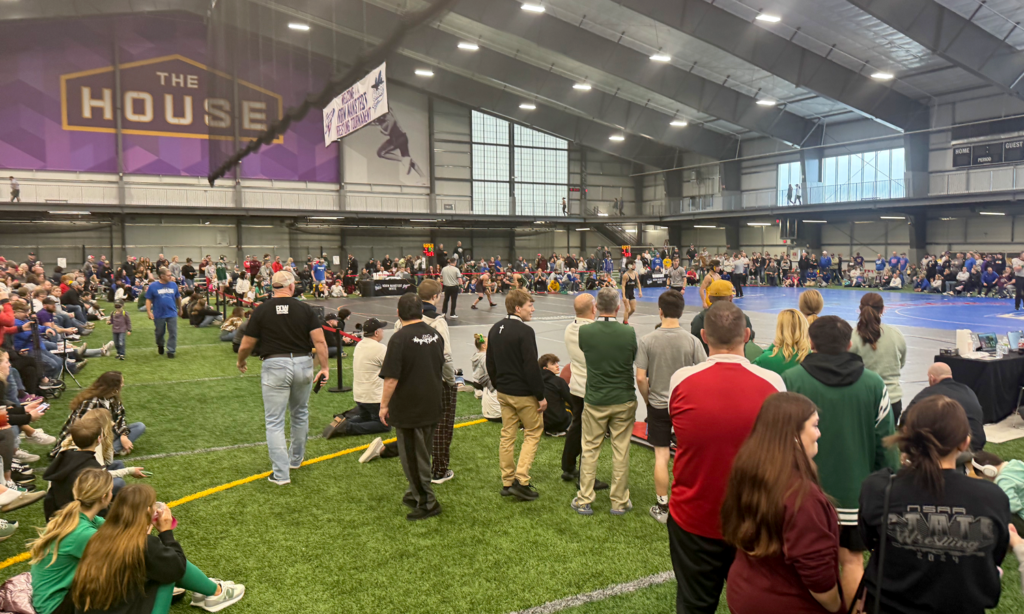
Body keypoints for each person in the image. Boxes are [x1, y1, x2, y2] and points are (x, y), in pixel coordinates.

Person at [667, 301, 786, 613]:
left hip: (693, 517)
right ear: (746, 335)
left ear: (704, 336)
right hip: (752, 520)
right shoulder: (773, 384)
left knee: (694, 605)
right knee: (752, 604)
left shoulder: (681, 380)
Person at [781, 316, 899, 603]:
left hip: (800, 498)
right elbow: (887, 447)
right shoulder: (874, 384)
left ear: (811, 343)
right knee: (853, 562)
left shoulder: (791, 380)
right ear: (849, 344)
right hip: (854, 499)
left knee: (800, 565)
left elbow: (779, 443)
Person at [858, 396, 1009, 614]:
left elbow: (871, 540)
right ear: (964, 443)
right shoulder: (992, 497)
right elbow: (994, 556)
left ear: (909, 438)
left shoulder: (879, 488)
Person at [722, 392, 842, 614]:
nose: (819, 433)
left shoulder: (748, 468)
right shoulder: (802, 497)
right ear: (795, 436)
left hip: (744, 590)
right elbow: (818, 578)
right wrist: (838, 607)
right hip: (787, 602)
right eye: (815, 426)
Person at [70, 483, 245, 614]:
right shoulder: (144, 544)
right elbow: (176, 568)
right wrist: (166, 532)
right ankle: (217, 592)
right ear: (147, 510)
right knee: (168, 570)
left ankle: (209, 589)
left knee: (161, 564)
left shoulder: (100, 534)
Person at [236, 270, 330, 486]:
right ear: (291, 287)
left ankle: (281, 474)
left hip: (274, 364)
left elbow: (247, 343)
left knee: (274, 422)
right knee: (300, 413)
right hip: (303, 363)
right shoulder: (305, 309)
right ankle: (296, 459)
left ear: (272, 287)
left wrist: (241, 361)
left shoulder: (261, 310)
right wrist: (324, 367)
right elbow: (320, 342)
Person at [636, 289, 706, 524]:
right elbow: (703, 373)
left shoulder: (647, 340)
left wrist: (648, 399)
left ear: (660, 311)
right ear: (682, 312)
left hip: (657, 404)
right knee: (689, 455)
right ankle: (690, 502)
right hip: (684, 406)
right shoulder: (693, 341)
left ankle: (662, 506)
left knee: (661, 455)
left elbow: (640, 378)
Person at [571, 287, 638, 516]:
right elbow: (631, 356)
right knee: (621, 450)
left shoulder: (586, 333)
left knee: (589, 448)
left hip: (596, 399)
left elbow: (586, 352)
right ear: (618, 307)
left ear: (596, 308)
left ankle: (584, 499)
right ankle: (619, 501)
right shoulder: (629, 333)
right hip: (623, 399)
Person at [380, 293, 445, 521]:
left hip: (409, 407)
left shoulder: (399, 339)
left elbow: (391, 379)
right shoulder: (435, 334)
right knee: (422, 453)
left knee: (412, 458)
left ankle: (428, 502)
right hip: (432, 403)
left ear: (398, 313)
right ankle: (414, 492)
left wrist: (383, 406)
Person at [394, 280, 457, 484]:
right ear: (436, 297)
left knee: (416, 427)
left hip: (409, 381)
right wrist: (451, 380)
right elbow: (445, 355)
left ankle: (419, 469)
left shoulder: (401, 321)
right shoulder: (438, 321)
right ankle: (439, 469)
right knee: (441, 424)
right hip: (435, 380)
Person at [486, 289, 546, 502]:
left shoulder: (494, 329)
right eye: (530, 305)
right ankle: (522, 479)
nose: (533, 309)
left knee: (507, 434)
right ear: (518, 308)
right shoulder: (525, 331)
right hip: (522, 393)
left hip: (503, 391)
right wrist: (540, 395)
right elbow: (531, 367)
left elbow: (490, 363)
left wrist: (497, 384)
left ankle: (507, 481)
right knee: (533, 431)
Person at [31, 469, 113, 614]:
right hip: (55, 607)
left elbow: (112, 528)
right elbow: (120, 559)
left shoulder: (75, 516)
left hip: (46, 598)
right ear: (104, 497)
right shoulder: (84, 534)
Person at [322, 318, 390, 439]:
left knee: (365, 418)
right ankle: (347, 427)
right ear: (376, 333)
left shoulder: (360, 345)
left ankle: (343, 421)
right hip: (373, 397)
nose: (383, 332)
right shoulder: (380, 348)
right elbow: (391, 370)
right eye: (381, 330)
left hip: (359, 396)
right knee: (384, 425)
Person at [50, 372, 144, 458]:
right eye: (121, 383)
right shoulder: (91, 401)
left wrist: (123, 435)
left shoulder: (113, 399)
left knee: (139, 426)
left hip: (102, 434)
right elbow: (81, 428)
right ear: (113, 387)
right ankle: (104, 453)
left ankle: (108, 451)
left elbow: (120, 418)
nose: (123, 385)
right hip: (83, 440)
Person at [849, 293, 907, 422]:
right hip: (892, 399)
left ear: (860, 309)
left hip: (863, 400)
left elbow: (847, 367)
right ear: (883, 309)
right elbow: (901, 363)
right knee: (888, 441)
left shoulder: (852, 336)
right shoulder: (895, 334)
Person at [905, 362, 985, 450]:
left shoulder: (928, 393)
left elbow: (905, 419)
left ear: (932, 378)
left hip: (950, 449)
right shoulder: (968, 390)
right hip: (977, 443)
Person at [690, 280, 755, 355]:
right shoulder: (742, 318)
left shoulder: (699, 319)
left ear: (709, 298)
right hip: (736, 363)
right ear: (731, 297)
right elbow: (749, 343)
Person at [753, 308, 811, 374]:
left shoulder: (767, 359)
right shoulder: (812, 357)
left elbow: (751, 369)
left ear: (780, 330)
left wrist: (773, 346)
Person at [144, 267, 181, 359]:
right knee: (160, 332)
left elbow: (178, 297)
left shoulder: (173, 285)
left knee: (173, 332)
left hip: (172, 312)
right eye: (168, 275)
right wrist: (149, 312)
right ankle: (160, 344)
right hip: (159, 313)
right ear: (162, 276)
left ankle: (171, 350)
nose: (170, 277)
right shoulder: (153, 286)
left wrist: (180, 308)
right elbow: (148, 299)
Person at [539, 354, 572, 436]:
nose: (557, 366)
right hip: (560, 422)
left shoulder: (536, 382)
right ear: (545, 368)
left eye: (557, 363)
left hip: (542, 422)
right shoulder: (558, 381)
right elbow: (571, 401)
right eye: (553, 364)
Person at [470, 334, 500, 421]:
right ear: (483, 346)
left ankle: (479, 393)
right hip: (483, 382)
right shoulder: (485, 357)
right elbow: (489, 373)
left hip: (476, 380)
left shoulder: (476, 355)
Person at [620, 260, 642, 325]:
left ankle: (625, 319)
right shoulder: (625, 275)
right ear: (629, 266)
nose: (635, 266)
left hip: (631, 293)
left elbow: (638, 283)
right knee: (627, 308)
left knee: (633, 309)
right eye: (633, 264)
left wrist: (640, 291)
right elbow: (623, 286)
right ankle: (626, 323)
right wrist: (623, 296)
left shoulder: (635, 273)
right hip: (626, 293)